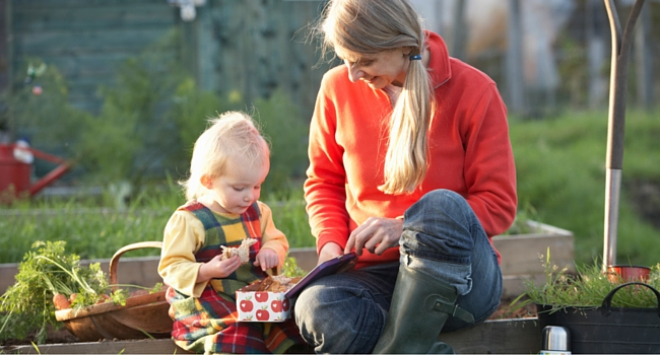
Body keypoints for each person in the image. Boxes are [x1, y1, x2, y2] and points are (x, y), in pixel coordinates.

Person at [293, 0, 518, 353]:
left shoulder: (475, 91)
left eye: (364, 61)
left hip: (461, 279)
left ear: (403, 47)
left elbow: (498, 204)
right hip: (374, 276)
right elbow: (324, 181)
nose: (353, 74)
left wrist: (405, 227)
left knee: (441, 206)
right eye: (346, 60)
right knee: (317, 306)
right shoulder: (336, 88)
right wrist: (330, 245)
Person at [158, 111, 305, 354]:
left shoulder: (258, 212)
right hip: (207, 301)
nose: (250, 195)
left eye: (257, 186)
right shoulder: (190, 220)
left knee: (287, 326)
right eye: (239, 188)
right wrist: (206, 270)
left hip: (252, 294)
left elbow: (276, 240)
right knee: (240, 332)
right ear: (208, 181)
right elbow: (171, 267)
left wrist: (271, 251)